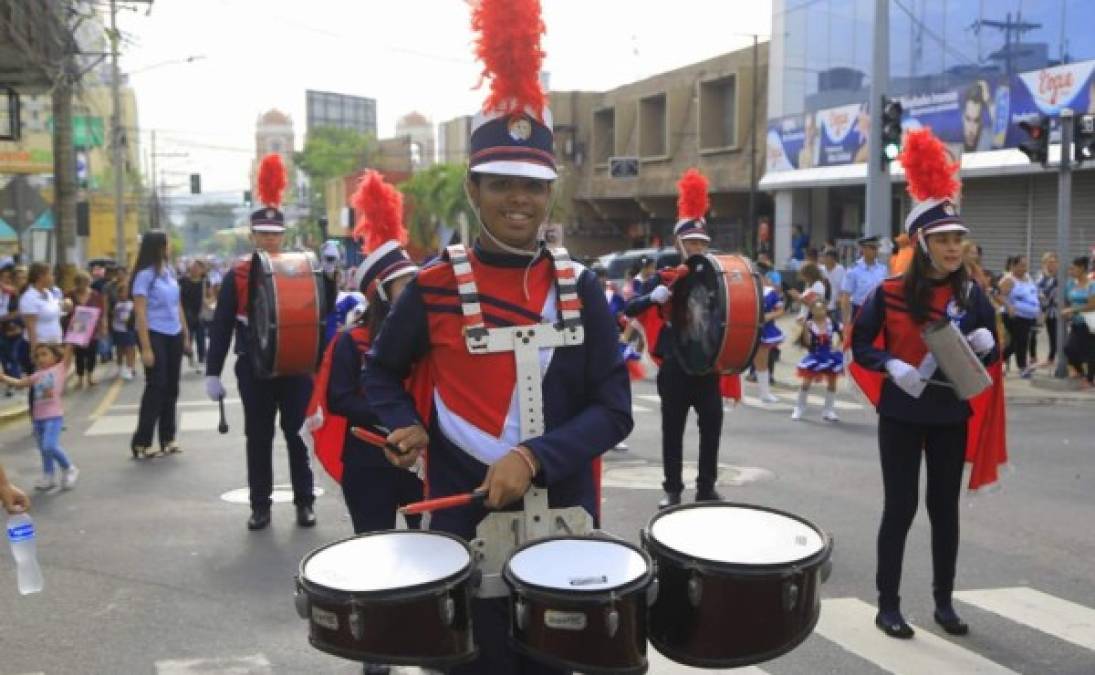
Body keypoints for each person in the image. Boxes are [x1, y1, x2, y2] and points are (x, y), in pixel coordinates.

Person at [364, 4, 631, 670]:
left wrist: (536, 456)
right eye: (503, 184)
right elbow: (379, 371)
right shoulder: (432, 287)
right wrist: (404, 425)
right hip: (462, 524)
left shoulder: (585, 286)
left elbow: (613, 408)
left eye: (534, 187)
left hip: (565, 523)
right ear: (474, 188)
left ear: (550, 194)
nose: (520, 200)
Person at [852, 129, 1000, 640]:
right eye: (944, 239)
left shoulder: (972, 292)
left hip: (948, 413)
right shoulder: (889, 292)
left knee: (944, 510)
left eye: (959, 238)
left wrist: (984, 341)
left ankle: (943, 603)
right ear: (921, 243)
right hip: (901, 411)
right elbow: (861, 345)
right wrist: (891, 366)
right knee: (901, 508)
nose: (955, 246)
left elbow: (994, 351)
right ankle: (887, 604)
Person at [205, 154, 317, 531]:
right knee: (258, 438)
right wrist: (211, 372)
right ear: (252, 236)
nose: (269, 240)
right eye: (263, 234)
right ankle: (260, 506)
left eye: (275, 234)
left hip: (296, 366)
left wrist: (329, 275)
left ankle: (304, 501)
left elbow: (318, 315)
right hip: (254, 366)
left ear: (282, 235)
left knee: (297, 436)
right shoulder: (236, 274)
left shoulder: (300, 268)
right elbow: (221, 325)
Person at [327, 171, 425, 538]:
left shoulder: (429, 338)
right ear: (381, 294)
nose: (417, 292)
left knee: (434, 554)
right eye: (407, 286)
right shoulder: (351, 343)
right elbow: (339, 399)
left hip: (423, 462)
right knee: (374, 554)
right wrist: (397, 417)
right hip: (368, 461)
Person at [625, 169, 724, 508]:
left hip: (707, 365)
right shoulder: (665, 278)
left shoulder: (718, 280)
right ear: (679, 244)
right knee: (673, 432)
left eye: (702, 243)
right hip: (675, 367)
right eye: (691, 242)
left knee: (711, 429)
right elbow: (629, 307)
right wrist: (653, 299)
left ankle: (707, 487)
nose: (697, 247)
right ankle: (672, 489)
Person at [130, 231, 189, 458]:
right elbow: (140, 313)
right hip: (154, 333)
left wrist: (185, 333)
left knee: (172, 387)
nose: (170, 247)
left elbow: (177, 305)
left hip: (173, 332)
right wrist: (145, 347)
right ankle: (141, 442)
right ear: (158, 247)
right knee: (157, 386)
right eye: (167, 244)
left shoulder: (170, 272)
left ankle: (168, 438)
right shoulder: (144, 276)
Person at [1, 344, 78, 492]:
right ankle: (48, 475)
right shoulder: (37, 375)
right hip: (38, 418)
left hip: (53, 417)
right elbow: (20, 383)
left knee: (49, 445)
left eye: (44, 354)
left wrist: (73, 334)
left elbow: (69, 349)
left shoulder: (60, 369)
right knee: (44, 450)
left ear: (55, 356)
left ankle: (69, 468)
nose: (40, 358)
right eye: (38, 356)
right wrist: (3, 378)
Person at [791, 298, 843, 421]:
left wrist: (837, 346)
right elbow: (808, 343)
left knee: (832, 383)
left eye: (822, 308)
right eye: (816, 309)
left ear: (826, 310)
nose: (819, 311)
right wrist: (803, 328)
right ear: (812, 311)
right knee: (806, 383)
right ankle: (799, 408)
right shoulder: (809, 324)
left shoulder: (831, 322)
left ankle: (828, 410)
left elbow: (842, 335)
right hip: (815, 356)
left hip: (830, 356)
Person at [998, 254, 1039, 379]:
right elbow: (998, 295)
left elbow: (1033, 294)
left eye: (1025, 265)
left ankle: (997, 362)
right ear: (1013, 266)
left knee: (1016, 343)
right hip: (1014, 316)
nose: (1024, 268)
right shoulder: (1009, 280)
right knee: (1021, 341)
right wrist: (1009, 306)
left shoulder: (1028, 277)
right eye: (1021, 265)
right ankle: (1022, 367)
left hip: (1029, 316)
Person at [65, 271, 107, 388]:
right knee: (79, 354)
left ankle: (90, 375)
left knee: (92, 353)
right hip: (76, 328)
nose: (82, 286)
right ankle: (80, 378)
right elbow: (64, 311)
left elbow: (102, 312)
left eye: (85, 283)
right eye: (80, 283)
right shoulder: (69, 295)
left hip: (92, 328)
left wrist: (103, 326)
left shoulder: (95, 295)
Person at [1062, 256, 1095, 388]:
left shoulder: (1092, 285)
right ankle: (1081, 372)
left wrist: (1074, 310)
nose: (1071, 271)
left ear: (1082, 269)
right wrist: (1066, 310)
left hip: (1089, 323)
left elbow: (1092, 305)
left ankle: (1089, 378)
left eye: (1073, 268)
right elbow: (1065, 300)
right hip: (1075, 323)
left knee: (1091, 351)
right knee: (1069, 349)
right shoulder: (1070, 284)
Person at [840, 235, 888, 326]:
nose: (876, 251)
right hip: (860, 311)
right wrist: (846, 323)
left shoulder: (883, 269)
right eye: (873, 248)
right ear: (864, 249)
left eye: (877, 248)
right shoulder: (854, 270)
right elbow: (845, 298)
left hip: (879, 312)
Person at [753, 273, 786, 403]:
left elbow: (780, 310)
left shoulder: (770, 292)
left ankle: (764, 393)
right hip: (747, 329)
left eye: (759, 276)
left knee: (762, 362)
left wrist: (768, 316)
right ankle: (736, 394)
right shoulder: (748, 290)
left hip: (764, 331)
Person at [179, 259, 208, 374]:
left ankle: (201, 361)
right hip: (185, 314)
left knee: (201, 338)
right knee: (187, 338)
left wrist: (208, 304)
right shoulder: (182, 281)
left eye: (198, 267)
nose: (195, 269)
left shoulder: (204, 282)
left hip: (199, 314)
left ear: (202, 270)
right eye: (193, 266)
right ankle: (190, 357)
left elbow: (208, 297)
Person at [1031, 252, 1058, 368]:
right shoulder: (1040, 275)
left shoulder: (1059, 276)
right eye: (1048, 262)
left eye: (1053, 262)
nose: (1051, 265)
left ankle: (1051, 358)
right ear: (1044, 264)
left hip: (1054, 310)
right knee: (1033, 333)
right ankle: (1033, 357)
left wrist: (1045, 290)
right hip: (1041, 310)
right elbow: (1036, 289)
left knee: (1054, 335)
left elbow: (1049, 291)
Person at [110, 272, 138, 381]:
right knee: (119, 349)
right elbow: (113, 316)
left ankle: (130, 368)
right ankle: (119, 367)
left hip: (129, 330)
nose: (124, 294)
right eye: (122, 292)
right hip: (118, 329)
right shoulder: (116, 304)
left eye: (126, 292)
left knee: (130, 348)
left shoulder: (132, 303)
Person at [821, 247, 846, 325]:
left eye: (825, 257)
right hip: (823, 307)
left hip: (836, 307)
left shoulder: (841, 269)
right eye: (823, 256)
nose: (823, 259)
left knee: (837, 328)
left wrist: (840, 297)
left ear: (833, 258)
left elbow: (844, 287)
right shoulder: (821, 270)